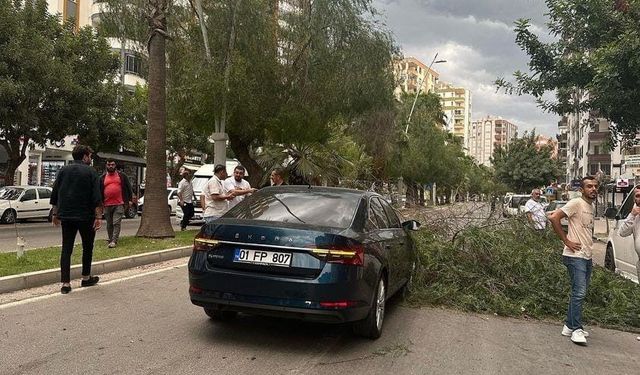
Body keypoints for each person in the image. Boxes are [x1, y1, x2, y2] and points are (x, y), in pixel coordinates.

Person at [548, 176, 598, 345]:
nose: (593, 189)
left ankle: (569, 326)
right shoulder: (576, 203)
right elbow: (554, 217)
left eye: (595, 186)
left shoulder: (590, 206)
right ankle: (576, 329)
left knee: (578, 292)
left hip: (586, 256)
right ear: (581, 190)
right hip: (574, 256)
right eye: (589, 186)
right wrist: (566, 241)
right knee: (579, 293)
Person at [50, 145, 103, 294]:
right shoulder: (91, 172)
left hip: (66, 215)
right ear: (85, 157)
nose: (91, 159)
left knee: (66, 248)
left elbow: (55, 193)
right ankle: (86, 277)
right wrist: (98, 216)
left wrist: (55, 214)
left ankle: (65, 283)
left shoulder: (63, 171)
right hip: (86, 216)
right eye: (90, 156)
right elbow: (96, 197)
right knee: (87, 246)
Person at [99, 158, 133, 248]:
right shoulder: (102, 178)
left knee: (116, 223)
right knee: (109, 224)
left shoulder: (122, 176)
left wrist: (130, 200)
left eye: (112, 165)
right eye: (109, 165)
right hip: (106, 204)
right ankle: (111, 239)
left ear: (115, 165)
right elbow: (99, 191)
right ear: (106, 165)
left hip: (119, 203)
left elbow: (128, 188)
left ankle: (114, 241)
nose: (111, 166)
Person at [616, 186, 640, 282]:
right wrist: (632, 215)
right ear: (634, 199)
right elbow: (622, 232)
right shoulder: (634, 217)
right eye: (638, 195)